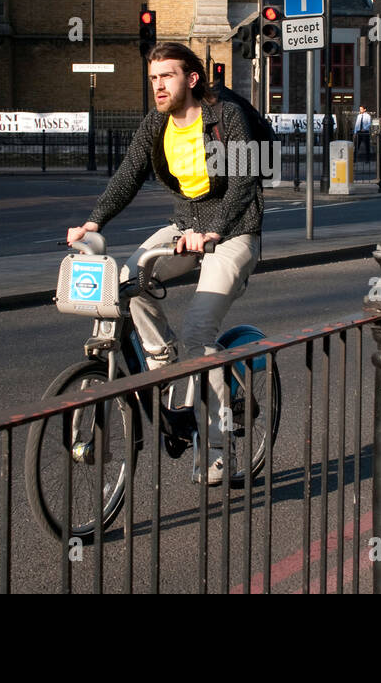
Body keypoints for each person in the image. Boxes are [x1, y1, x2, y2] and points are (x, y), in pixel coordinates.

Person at [66, 43, 264, 486]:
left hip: (233, 233)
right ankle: (163, 360)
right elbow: (128, 174)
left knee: (198, 334)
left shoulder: (225, 118)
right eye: (153, 77)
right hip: (184, 229)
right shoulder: (156, 124)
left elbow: (244, 183)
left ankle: (216, 450)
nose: (157, 86)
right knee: (124, 283)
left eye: (166, 77)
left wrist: (213, 229)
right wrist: (92, 221)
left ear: (191, 79)